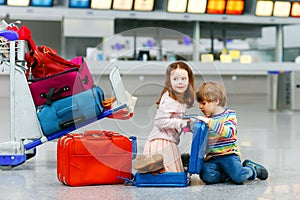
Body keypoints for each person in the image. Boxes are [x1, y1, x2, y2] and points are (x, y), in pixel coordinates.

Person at [194, 81, 268, 184]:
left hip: (229, 155)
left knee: (239, 176)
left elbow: (229, 132)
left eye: (203, 103)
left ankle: (252, 169)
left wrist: (210, 122)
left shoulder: (229, 115)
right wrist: (188, 126)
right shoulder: (205, 120)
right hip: (213, 157)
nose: (200, 107)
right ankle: (228, 175)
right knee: (206, 175)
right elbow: (198, 134)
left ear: (215, 101)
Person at [134, 61, 195, 173]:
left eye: (183, 79)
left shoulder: (180, 99)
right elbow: (160, 121)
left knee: (171, 175)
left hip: (168, 140)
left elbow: (174, 120)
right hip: (161, 142)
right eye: (175, 79)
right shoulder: (170, 100)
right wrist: (181, 123)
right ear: (169, 81)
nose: (180, 82)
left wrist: (187, 126)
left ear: (189, 80)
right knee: (169, 175)